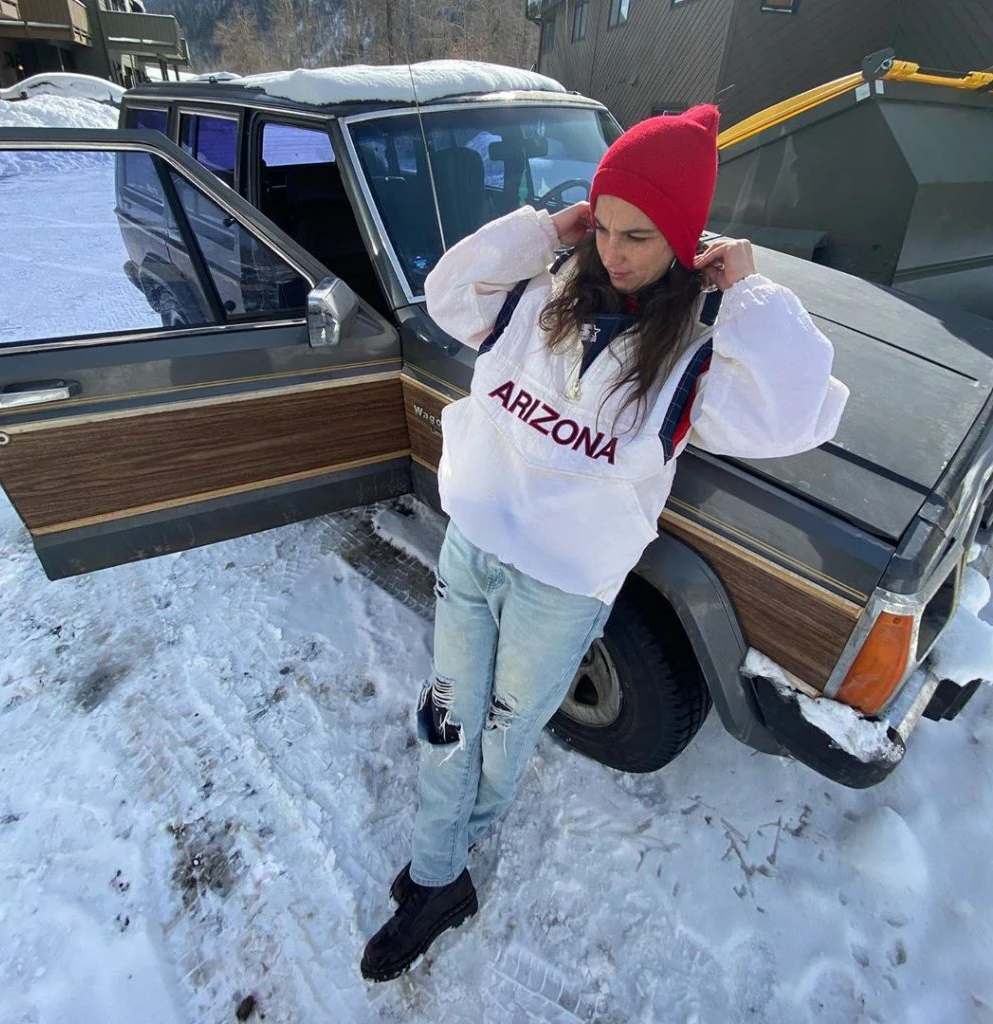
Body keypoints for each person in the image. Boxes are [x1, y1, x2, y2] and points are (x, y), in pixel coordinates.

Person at [360, 105, 849, 982]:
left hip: (561, 588)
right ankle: (439, 870)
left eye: (640, 236)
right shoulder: (541, 293)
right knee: (448, 709)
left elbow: (800, 411)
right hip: (474, 545)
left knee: (505, 730)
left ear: (684, 241)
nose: (614, 252)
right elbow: (447, 294)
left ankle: (443, 864)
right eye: (606, 226)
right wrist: (546, 230)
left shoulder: (695, 353)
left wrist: (747, 292)